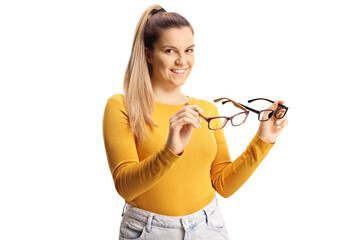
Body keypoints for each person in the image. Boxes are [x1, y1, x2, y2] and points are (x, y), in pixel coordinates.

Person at [102, 5, 288, 240]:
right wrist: (170, 151)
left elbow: (223, 185)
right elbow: (125, 187)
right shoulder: (122, 106)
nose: (182, 61)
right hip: (150, 231)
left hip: (207, 227)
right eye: (170, 51)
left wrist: (264, 139)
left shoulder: (206, 109)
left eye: (189, 50)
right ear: (149, 54)